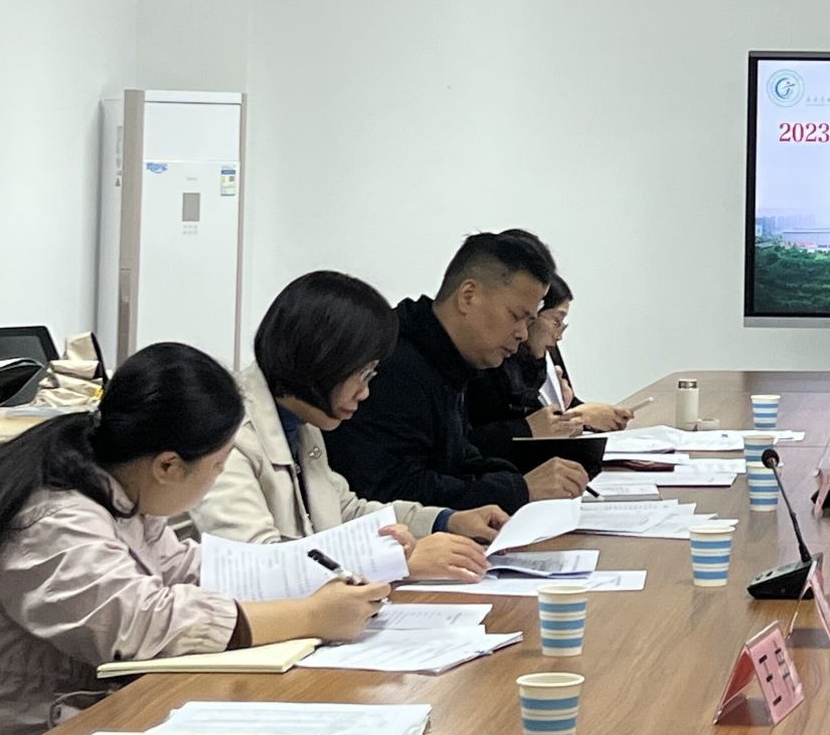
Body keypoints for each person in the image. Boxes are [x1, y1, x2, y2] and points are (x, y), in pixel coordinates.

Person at [0, 343, 386, 735]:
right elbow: (140, 624)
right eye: (218, 465)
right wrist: (309, 616)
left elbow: (189, 570)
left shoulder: (115, 484)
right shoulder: (52, 519)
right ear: (168, 466)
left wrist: (316, 583)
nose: (219, 476)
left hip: (65, 723)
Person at [192, 271, 509, 579]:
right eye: (362, 374)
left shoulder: (302, 420)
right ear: (322, 358)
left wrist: (445, 521)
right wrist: (396, 561)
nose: (365, 392)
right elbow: (255, 568)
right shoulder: (227, 432)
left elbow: (346, 512)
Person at [327, 231, 591, 513]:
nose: (522, 334)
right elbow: (391, 490)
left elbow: (460, 460)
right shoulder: (394, 364)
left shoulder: (449, 358)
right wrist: (520, 489)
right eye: (516, 316)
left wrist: (522, 481)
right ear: (468, 296)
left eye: (528, 322)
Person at [465, 268, 631, 457]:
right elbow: (480, 436)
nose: (558, 336)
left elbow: (556, 407)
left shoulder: (546, 353)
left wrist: (594, 416)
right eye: (556, 321)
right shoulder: (488, 360)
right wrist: (578, 417)